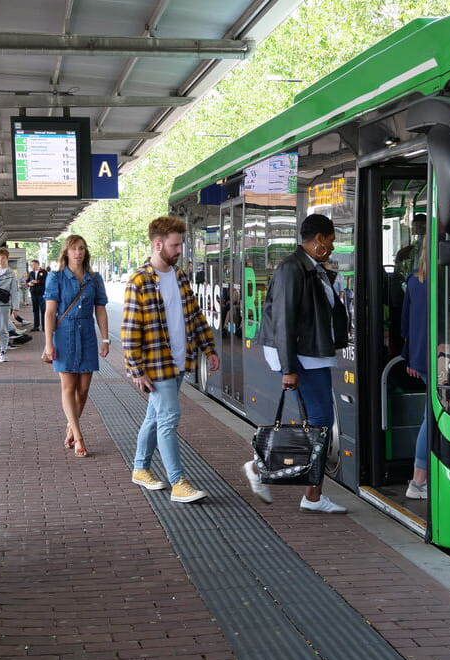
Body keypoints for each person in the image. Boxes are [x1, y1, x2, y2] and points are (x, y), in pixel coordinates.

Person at [243, 213, 349, 513]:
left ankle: (303, 490)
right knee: (321, 422)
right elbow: (284, 319)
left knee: (318, 422)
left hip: (310, 353)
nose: (332, 247)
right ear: (318, 240)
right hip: (303, 356)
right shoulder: (293, 268)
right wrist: (288, 368)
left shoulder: (311, 267)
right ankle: (302, 491)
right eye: (330, 241)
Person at [121, 215, 219, 503]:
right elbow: (129, 330)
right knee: (168, 419)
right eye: (175, 245)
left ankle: (140, 468)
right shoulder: (139, 280)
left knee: (155, 418)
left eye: (181, 245)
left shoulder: (180, 276)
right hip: (156, 364)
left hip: (180, 362)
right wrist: (136, 369)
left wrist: (209, 348)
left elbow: (194, 316)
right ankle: (178, 482)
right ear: (158, 244)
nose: (180, 250)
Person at [41, 234, 109, 457]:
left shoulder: (94, 278)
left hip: (87, 334)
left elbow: (100, 309)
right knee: (69, 387)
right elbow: (50, 312)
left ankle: (71, 426)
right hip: (64, 335)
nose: (77, 253)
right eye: (73, 249)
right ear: (66, 252)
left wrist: (105, 339)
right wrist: (48, 343)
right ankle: (79, 437)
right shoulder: (56, 277)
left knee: (84, 389)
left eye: (81, 248)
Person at [401, 235, 428, 500]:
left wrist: (410, 357)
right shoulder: (441, 282)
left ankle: (422, 480)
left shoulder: (414, 280)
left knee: (430, 415)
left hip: (420, 358)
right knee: (432, 418)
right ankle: (418, 482)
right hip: (438, 358)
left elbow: (406, 324)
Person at [25, 259, 47, 330]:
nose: (32, 266)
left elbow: (45, 281)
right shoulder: (31, 273)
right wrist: (29, 283)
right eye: (31, 265)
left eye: (34, 264)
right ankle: (36, 326)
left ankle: (44, 327)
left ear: (38, 264)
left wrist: (36, 281)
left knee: (43, 310)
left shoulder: (43, 272)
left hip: (42, 294)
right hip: (33, 294)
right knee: (35, 310)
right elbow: (27, 281)